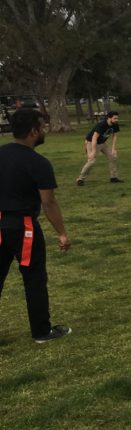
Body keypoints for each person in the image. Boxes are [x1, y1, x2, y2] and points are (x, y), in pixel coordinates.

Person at [0, 108, 72, 343]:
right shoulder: (38, 163)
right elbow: (48, 202)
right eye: (42, 127)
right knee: (34, 278)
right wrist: (62, 233)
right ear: (33, 131)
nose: (44, 131)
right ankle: (41, 331)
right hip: (24, 227)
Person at [76, 110, 122, 185]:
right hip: (91, 142)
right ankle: (80, 179)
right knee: (92, 161)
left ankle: (113, 178)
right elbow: (94, 138)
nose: (117, 120)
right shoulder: (102, 125)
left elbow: (115, 136)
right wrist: (93, 152)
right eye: (115, 118)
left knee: (113, 156)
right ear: (109, 118)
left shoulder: (115, 124)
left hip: (102, 143)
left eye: (117, 118)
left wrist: (113, 149)